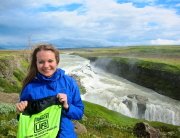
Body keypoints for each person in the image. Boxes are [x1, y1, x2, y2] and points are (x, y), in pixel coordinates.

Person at [16, 43, 84, 138]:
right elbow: (24, 118)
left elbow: (79, 113)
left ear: (57, 61)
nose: (46, 65)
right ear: (36, 64)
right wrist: (20, 110)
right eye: (41, 62)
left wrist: (67, 106)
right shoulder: (30, 88)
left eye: (50, 61)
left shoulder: (69, 82)